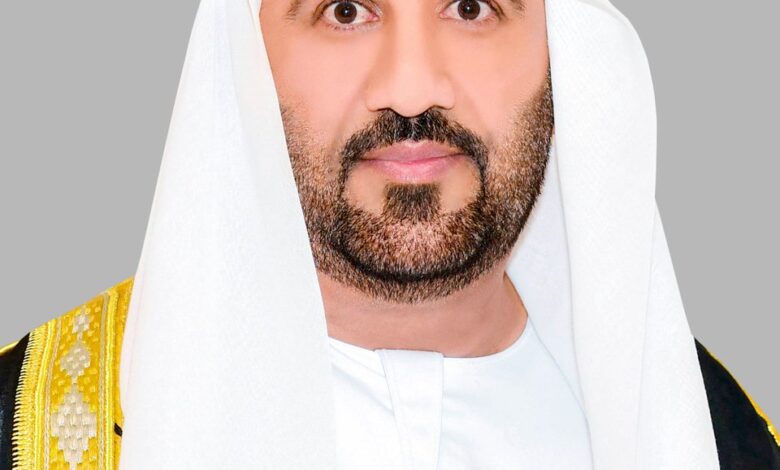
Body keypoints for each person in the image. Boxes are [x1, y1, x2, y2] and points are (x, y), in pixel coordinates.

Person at [0, 0, 777, 468]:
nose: (410, 88)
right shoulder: (30, 425)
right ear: (244, 52)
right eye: (345, 10)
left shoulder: (720, 438)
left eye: (471, 7)